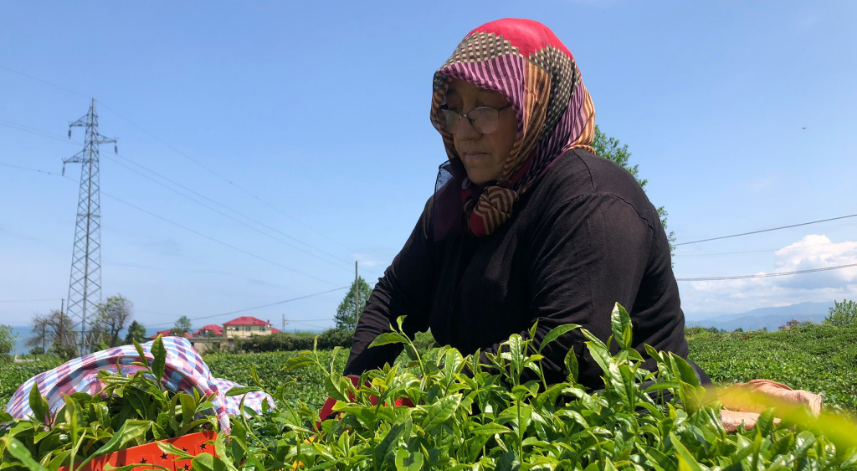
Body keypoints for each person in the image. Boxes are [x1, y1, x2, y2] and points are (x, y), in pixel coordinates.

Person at [340, 18, 709, 394]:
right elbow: (396, 294)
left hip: (627, 427)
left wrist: (420, 396)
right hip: (497, 422)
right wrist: (352, 389)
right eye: (453, 110)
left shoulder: (589, 197)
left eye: (484, 107)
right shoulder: (456, 206)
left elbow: (567, 352)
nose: (464, 130)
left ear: (536, 104)